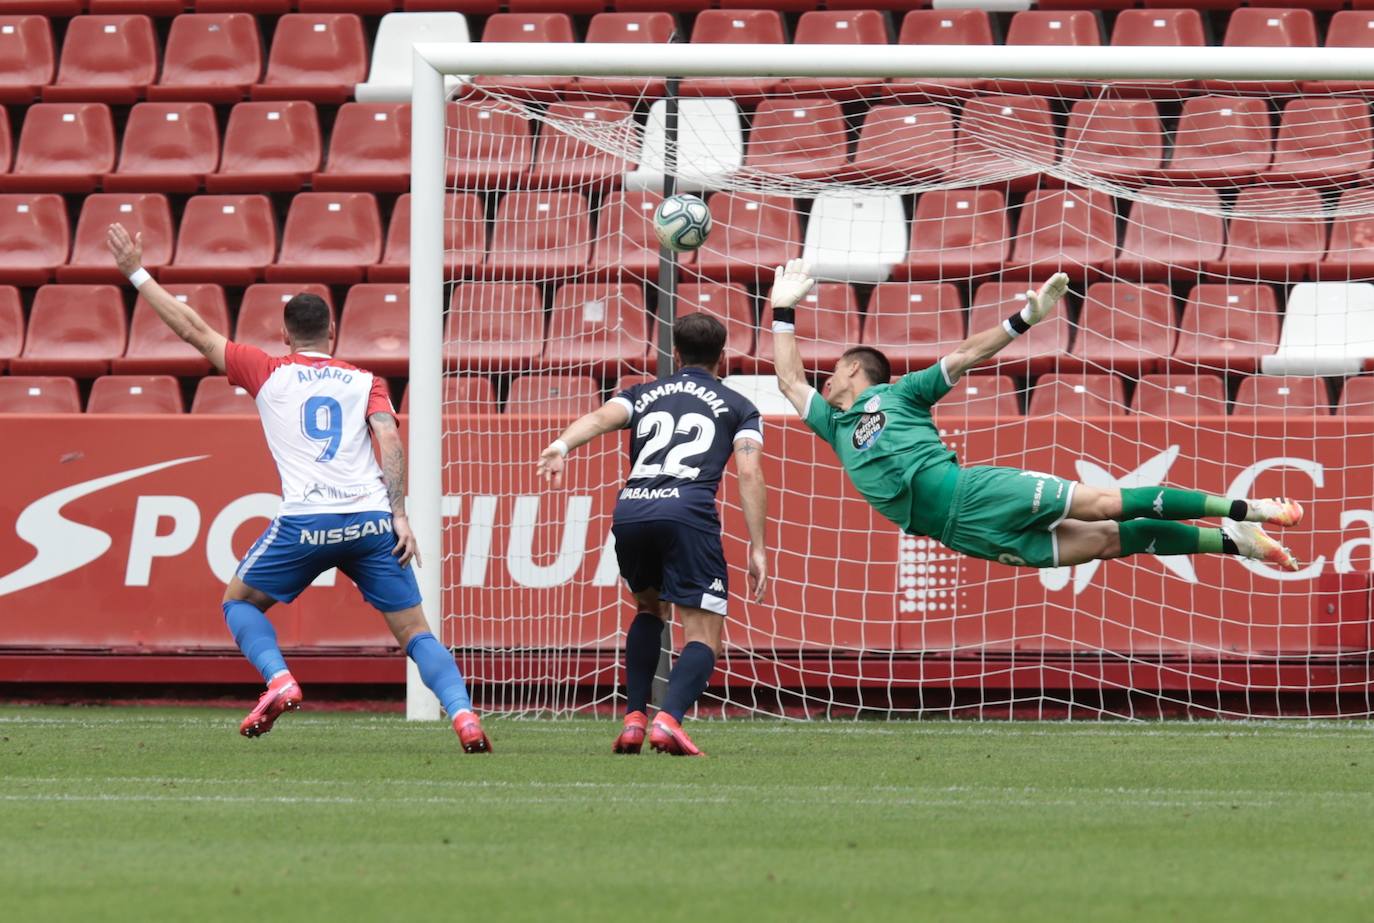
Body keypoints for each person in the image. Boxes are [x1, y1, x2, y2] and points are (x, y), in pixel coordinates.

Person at [106, 223, 490, 752]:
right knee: (416, 633)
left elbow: (194, 330)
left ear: (285, 335)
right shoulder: (364, 380)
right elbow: (389, 438)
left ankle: (280, 679)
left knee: (238, 603)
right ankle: (464, 715)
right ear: (332, 334)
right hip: (371, 523)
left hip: (305, 523)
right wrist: (398, 513)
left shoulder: (266, 371)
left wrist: (136, 272)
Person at [767, 259, 1303, 573]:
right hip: (961, 534)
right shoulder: (833, 427)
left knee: (1104, 505)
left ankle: (1249, 508)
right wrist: (782, 311)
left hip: (970, 493)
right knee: (1111, 542)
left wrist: (1024, 318)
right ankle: (1236, 543)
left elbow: (965, 355)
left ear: (855, 371)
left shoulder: (900, 394)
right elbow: (789, 380)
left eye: (833, 373)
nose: (825, 381)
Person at [536, 313, 768, 757]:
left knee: (649, 608)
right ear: (723, 358)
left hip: (632, 510)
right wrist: (758, 547)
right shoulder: (738, 406)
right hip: (687, 512)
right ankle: (669, 722)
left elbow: (603, 416)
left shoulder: (642, 394)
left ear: (675, 354)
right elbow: (750, 471)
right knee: (703, 633)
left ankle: (634, 719)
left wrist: (562, 445)